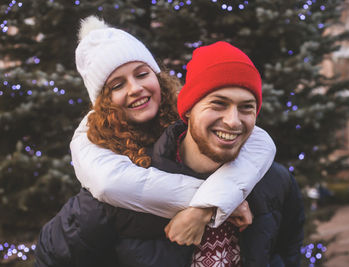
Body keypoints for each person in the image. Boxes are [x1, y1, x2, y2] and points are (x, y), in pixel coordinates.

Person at [35, 17, 278, 266]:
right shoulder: (94, 144)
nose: (136, 88)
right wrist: (219, 204)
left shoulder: (190, 112)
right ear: (103, 101)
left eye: (142, 74)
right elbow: (109, 185)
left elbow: (260, 143)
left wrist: (213, 204)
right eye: (118, 85)